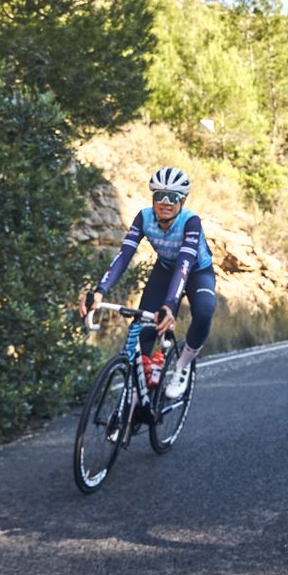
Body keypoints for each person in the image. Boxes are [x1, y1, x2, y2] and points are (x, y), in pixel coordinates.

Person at [78, 167, 215, 400]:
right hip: (165, 270)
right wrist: (100, 291)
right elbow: (123, 256)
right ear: (152, 197)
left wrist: (169, 305)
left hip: (196, 272)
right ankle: (138, 395)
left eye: (173, 197)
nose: (165, 202)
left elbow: (184, 264)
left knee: (203, 312)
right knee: (144, 330)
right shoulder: (144, 217)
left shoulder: (190, 222)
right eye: (160, 195)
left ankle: (182, 366)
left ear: (182, 200)